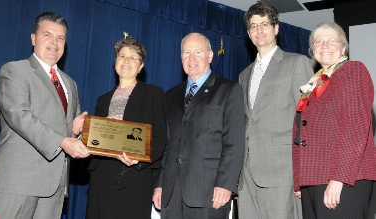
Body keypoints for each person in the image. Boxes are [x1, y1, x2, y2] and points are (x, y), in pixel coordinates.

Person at [0, 12, 90, 219]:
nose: (55, 42)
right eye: (48, 35)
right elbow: (19, 115)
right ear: (33, 38)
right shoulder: (14, 70)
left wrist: (76, 129)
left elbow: (66, 129)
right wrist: (62, 141)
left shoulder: (70, 83)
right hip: (18, 182)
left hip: (54, 188)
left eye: (61, 37)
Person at [152, 32, 245, 219]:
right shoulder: (169, 96)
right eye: (186, 53)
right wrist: (159, 184)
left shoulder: (229, 90)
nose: (191, 58)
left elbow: (234, 142)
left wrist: (225, 184)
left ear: (210, 56)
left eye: (197, 52)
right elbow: (165, 146)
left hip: (208, 192)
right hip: (171, 194)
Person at [237, 2, 314, 219]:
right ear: (249, 34)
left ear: (276, 28)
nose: (259, 30)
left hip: (282, 171)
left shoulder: (297, 63)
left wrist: (303, 174)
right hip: (247, 173)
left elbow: (307, 120)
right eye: (253, 26)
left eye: (264, 24)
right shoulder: (244, 75)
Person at [292, 21, 376, 219]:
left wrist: (339, 179)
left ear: (344, 47)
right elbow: (299, 133)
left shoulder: (352, 71)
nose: (324, 45)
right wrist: (300, 181)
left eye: (332, 40)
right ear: (312, 50)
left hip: (344, 179)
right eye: (318, 42)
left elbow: (355, 127)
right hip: (313, 179)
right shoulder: (313, 85)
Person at [86, 38, 168, 219]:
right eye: (122, 56)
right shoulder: (103, 99)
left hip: (134, 176)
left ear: (141, 66)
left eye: (133, 57)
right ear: (115, 61)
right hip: (102, 175)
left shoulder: (154, 94)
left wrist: (138, 160)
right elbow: (95, 141)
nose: (126, 61)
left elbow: (161, 137)